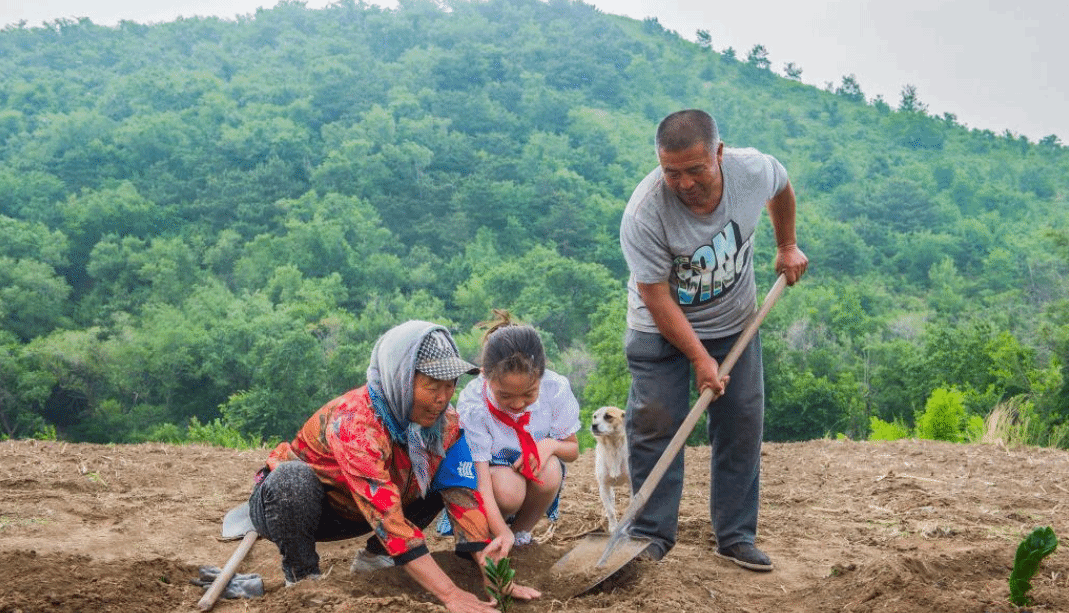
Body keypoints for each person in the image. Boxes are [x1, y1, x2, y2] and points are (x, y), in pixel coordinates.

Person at [618, 109, 808, 572]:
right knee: (656, 421)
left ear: (718, 154)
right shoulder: (644, 213)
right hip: (659, 326)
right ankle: (649, 535)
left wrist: (786, 246)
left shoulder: (750, 170)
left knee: (741, 420)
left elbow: (781, 188)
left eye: (695, 169)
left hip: (733, 321)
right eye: (671, 172)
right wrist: (700, 358)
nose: (683, 183)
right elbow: (656, 296)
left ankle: (736, 536)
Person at [247, 320, 541, 612]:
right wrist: (450, 594)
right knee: (291, 480)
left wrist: (495, 576)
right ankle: (302, 577)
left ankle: (377, 557)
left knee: (444, 473)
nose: (442, 398)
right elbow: (387, 515)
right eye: (432, 386)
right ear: (400, 379)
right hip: (311, 509)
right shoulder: (356, 424)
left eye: (450, 385)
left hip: (362, 512)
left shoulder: (445, 424)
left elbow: (462, 495)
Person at [453, 310, 581, 552]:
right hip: (492, 473)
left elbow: (572, 449)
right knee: (508, 492)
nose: (518, 404)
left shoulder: (555, 389)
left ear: (542, 376)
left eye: (529, 394)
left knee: (551, 469)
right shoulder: (475, 403)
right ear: (485, 375)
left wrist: (549, 445)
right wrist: (501, 531)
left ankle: (520, 534)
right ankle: (490, 535)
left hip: (528, 469)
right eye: (505, 396)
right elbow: (481, 483)